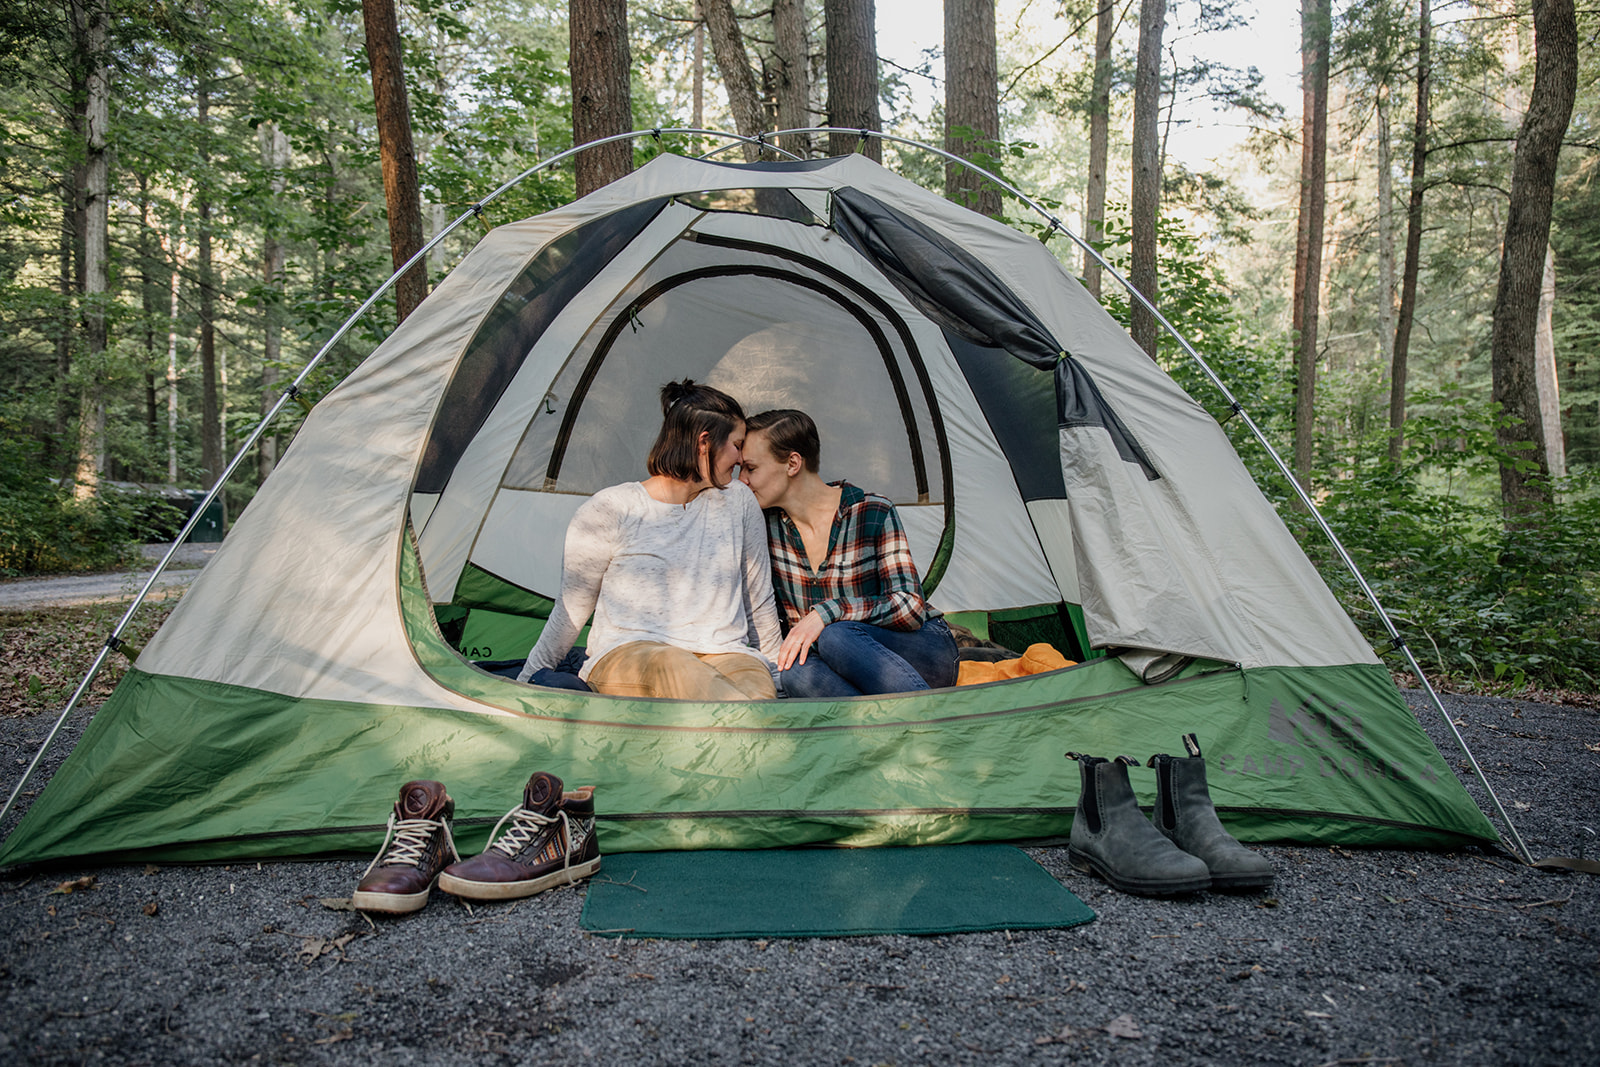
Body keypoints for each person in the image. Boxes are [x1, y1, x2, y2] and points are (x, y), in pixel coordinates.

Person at [515, 380, 782, 700]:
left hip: (727, 654)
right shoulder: (611, 508)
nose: (740, 459)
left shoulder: (738, 501)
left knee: (760, 697)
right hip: (631, 653)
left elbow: (760, 600)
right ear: (704, 442)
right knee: (680, 670)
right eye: (737, 445)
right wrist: (524, 683)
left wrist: (779, 684)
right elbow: (571, 608)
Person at [739, 408, 957, 698]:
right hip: (837, 666)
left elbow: (911, 608)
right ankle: (887, 730)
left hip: (920, 652)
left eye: (750, 469)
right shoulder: (766, 528)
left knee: (836, 635)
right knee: (795, 674)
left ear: (792, 463)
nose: (741, 480)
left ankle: (926, 722)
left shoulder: (872, 511)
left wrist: (829, 612)